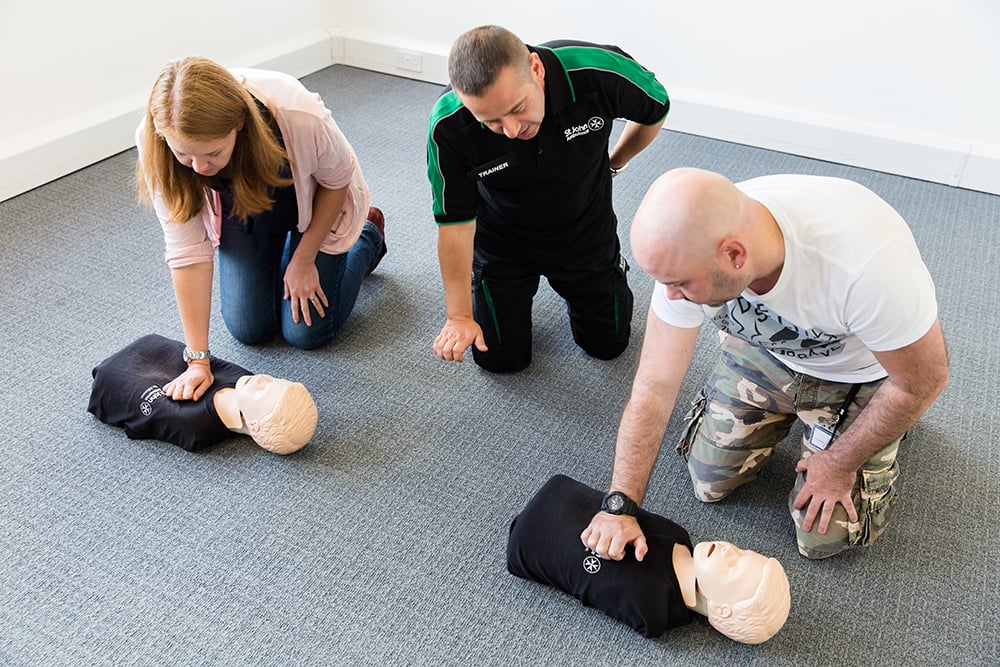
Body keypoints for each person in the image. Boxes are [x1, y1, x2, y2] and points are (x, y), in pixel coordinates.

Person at [582, 168, 950, 560]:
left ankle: (883, 433)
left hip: (854, 377)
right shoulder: (684, 247)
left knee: (822, 539)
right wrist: (619, 506)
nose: (670, 296)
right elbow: (653, 385)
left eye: (681, 285)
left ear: (735, 255)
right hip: (764, 351)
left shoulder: (867, 269)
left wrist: (842, 463)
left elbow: (923, 381)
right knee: (708, 483)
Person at [136, 56, 387, 401]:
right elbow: (187, 252)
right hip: (241, 214)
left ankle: (368, 237)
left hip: (313, 202)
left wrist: (303, 259)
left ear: (238, 122)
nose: (199, 168)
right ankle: (282, 252)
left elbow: (337, 180)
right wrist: (197, 360)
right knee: (248, 328)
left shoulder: (296, 114)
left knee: (306, 332)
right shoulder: (158, 142)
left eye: (212, 153)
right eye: (185, 155)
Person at [427, 25, 669, 372]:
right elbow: (454, 226)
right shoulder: (448, 124)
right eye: (491, 121)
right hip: (502, 243)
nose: (511, 130)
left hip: (585, 231)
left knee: (608, 345)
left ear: (537, 70)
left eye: (516, 108)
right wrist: (459, 316)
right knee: (498, 360)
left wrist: (616, 161)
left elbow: (656, 107)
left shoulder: (596, 71)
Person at [508, 475, 791, 644]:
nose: (731, 551)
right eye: (743, 552)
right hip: (562, 494)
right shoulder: (679, 536)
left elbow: (590, 589)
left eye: (734, 568)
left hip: (528, 541)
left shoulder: (652, 613)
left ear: (724, 610)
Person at [88, 334, 318, 454]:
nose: (262, 379)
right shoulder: (244, 379)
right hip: (153, 349)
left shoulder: (195, 429)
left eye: (263, 391)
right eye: (275, 380)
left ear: (257, 426)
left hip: (112, 381)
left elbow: (145, 420)